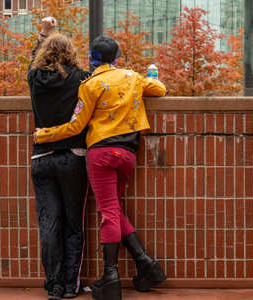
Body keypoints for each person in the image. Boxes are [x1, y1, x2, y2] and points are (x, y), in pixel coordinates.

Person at [34, 35, 167, 300]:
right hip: (128, 153)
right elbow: (160, 89)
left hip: (101, 154)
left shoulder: (90, 85)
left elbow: (76, 126)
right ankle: (146, 264)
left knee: (107, 213)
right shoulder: (132, 77)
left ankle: (111, 277)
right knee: (115, 209)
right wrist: (151, 74)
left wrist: (44, 135)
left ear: (93, 58)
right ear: (116, 57)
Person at [28, 18, 90, 300]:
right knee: (73, 223)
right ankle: (69, 285)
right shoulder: (80, 78)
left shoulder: (35, 78)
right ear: (71, 54)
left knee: (49, 223)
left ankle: (52, 285)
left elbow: (33, 61)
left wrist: (44, 33)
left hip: (41, 158)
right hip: (72, 158)